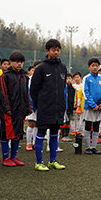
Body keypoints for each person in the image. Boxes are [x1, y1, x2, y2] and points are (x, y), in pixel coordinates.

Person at [29, 39, 67, 171]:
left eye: (58, 50)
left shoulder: (63, 67)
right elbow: (34, 89)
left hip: (58, 107)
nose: (56, 52)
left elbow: (63, 88)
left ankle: (52, 161)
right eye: (53, 50)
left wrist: (63, 104)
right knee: (41, 132)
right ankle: (39, 162)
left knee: (55, 133)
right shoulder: (41, 68)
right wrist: (40, 103)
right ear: (47, 51)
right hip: (45, 107)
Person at [0, 51, 32, 167]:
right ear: (10, 62)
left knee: (18, 134)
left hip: (21, 111)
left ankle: (14, 157)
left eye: (21, 62)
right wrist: (7, 108)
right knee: (6, 134)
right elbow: (2, 93)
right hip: (9, 111)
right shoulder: (5, 76)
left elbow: (26, 93)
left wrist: (28, 107)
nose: (19, 64)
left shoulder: (25, 76)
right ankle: (5, 158)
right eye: (16, 62)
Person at [82, 58, 101, 155]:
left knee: (97, 126)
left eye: (96, 65)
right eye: (93, 65)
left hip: (100, 107)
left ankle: (94, 147)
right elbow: (85, 93)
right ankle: (87, 147)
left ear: (99, 67)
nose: (95, 67)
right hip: (90, 107)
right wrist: (93, 105)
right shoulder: (86, 78)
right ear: (89, 67)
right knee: (88, 126)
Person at [25, 61, 41, 151]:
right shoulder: (30, 79)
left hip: (41, 105)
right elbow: (29, 92)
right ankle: (28, 143)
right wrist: (31, 104)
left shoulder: (43, 79)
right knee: (31, 123)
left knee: (37, 125)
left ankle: (35, 143)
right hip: (32, 104)